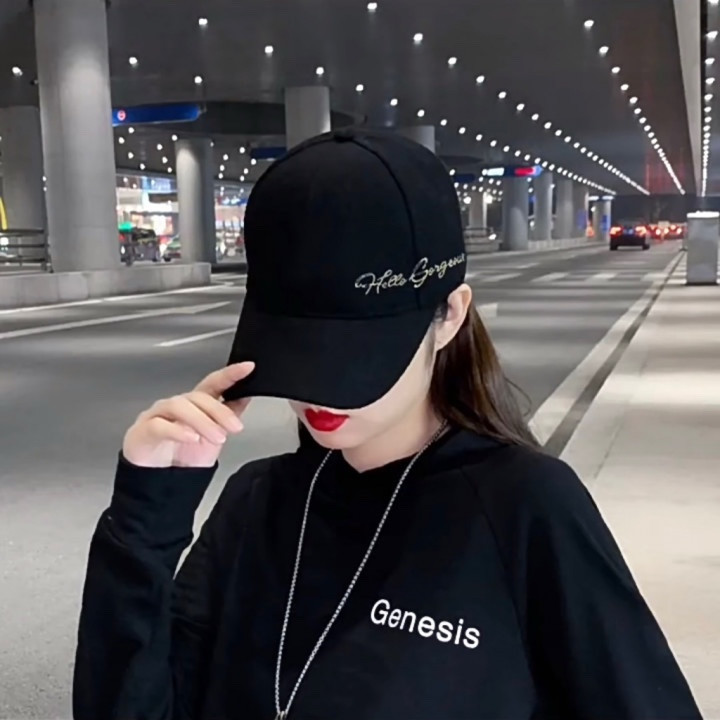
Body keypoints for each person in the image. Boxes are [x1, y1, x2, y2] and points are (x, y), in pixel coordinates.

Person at [73, 129, 702, 720]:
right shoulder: (256, 504)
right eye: (297, 348)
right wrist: (146, 517)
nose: (317, 388)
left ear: (449, 315)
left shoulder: (525, 508)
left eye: (353, 352)